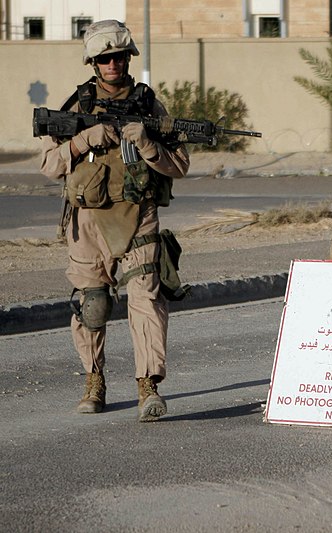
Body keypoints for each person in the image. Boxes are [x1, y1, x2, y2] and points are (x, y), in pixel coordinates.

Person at [40, 20, 190, 421]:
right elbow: (48, 165)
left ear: (128, 58)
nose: (112, 64)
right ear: (93, 62)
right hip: (87, 223)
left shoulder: (149, 106)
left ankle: (148, 386)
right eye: (104, 58)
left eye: (119, 56)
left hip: (138, 215)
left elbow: (179, 165)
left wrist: (145, 142)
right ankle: (94, 379)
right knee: (93, 306)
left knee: (146, 300)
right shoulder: (76, 107)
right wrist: (84, 140)